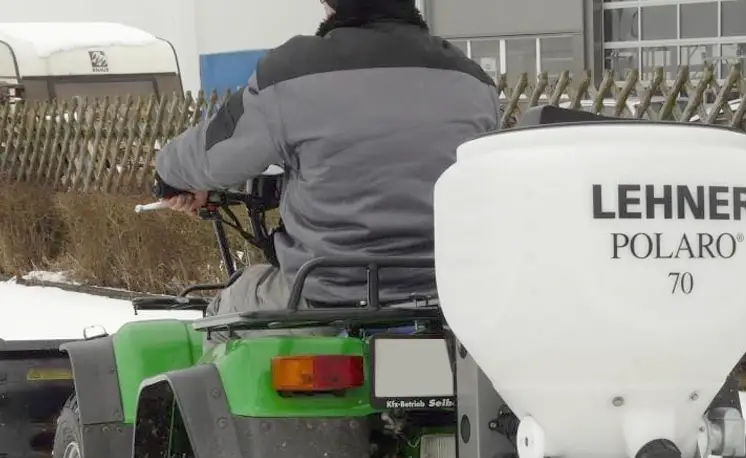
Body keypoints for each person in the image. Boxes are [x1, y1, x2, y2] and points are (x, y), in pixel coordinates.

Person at [154, 0, 499, 336]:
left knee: (227, 311)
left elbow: (212, 152)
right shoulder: (473, 81)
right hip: (448, 298)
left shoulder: (292, 71)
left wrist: (169, 176)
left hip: (324, 296)